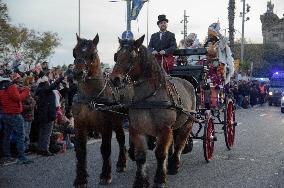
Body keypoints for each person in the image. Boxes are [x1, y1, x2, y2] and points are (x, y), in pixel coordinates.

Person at [0, 73, 33, 164]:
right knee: (21, 135)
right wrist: (26, 91)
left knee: (6, 136)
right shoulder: (11, 86)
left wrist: (19, 89)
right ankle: (21, 157)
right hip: (14, 114)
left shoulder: (1, 88)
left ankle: (7, 156)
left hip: (5, 114)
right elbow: (18, 98)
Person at [35, 75, 65, 156]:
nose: (49, 83)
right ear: (44, 83)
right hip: (47, 115)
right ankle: (44, 149)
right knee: (46, 133)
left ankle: (41, 149)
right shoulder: (44, 90)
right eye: (47, 81)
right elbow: (52, 86)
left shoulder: (40, 90)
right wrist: (59, 79)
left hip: (43, 115)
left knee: (42, 133)